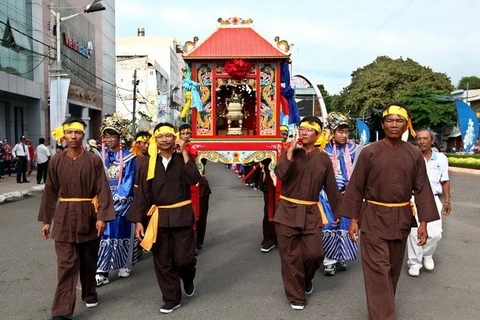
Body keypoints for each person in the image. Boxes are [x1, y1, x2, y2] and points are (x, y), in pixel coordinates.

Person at [338, 103, 439, 320]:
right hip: (373, 216)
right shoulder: (369, 152)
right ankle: (384, 316)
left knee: (392, 269)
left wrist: (423, 223)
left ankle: (380, 310)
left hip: (401, 218)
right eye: (390, 120)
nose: (394, 124)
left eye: (399, 120)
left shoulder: (414, 154)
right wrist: (353, 219)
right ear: (383, 124)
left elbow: (422, 189)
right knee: (377, 270)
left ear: (407, 125)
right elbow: (356, 186)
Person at [38, 117, 115, 320]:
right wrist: (47, 220)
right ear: (64, 135)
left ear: (83, 135)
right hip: (63, 218)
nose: (73, 136)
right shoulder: (56, 160)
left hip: (88, 215)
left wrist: (102, 217)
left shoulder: (93, 160)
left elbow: (103, 189)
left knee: (89, 261)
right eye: (70, 132)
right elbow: (50, 191)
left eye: (78, 132)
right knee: (66, 264)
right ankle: (62, 311)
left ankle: (89, 292)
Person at [127, 122, 201, 314]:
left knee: (184, 259)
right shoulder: (147, 163)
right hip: (159, 218)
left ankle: (188, 277)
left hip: (182, 215)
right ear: (155, 140)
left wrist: (184, 151)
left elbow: (194, 179)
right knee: (163, 260)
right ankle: (171, 298)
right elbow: (142, 194)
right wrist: (138, 222)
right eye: (160, 136)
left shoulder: (184, 158)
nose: (164, 140)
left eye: (168, 135)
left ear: (174, 137)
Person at [274, 116, 341, 310]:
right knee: (289, 256)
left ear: (318, 134)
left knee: (315, 254)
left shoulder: (323, 159)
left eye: (309, 130)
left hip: (311, 211)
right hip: (287, 210)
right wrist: (289, 153)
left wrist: (338, 213)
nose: (303, 133)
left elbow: (331, 188)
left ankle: (306, 278)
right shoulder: (289, 152)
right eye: (302, 129)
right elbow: (281, 175)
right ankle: (297, 296)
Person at [96, 113, 137, 286]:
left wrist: (115, 199)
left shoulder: (129, 157)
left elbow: (128, 181)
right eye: (106, 135)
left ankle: (124, 263)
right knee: (102, 234)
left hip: (121, 201)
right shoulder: (98, 157)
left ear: (120, 137)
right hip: (102, 200)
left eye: (112, 135)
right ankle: (101, 269)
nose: (109, 139)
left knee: (120, 231)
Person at [407, 128, 452, 277]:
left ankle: (427, 254)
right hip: (413, 198)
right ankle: (414, 263)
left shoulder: (441, 159)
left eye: (425, 138)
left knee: (435, 233)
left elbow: (445, 180)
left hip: (432, 198)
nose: (422, 141)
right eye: (419, 138)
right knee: (414, 232)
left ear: (432, 141)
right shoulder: (411, 157)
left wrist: (447, 200)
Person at [319, 112, 359, 276]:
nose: (344, 135)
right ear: (332, 132)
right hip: (328, 195)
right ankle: (329, 259)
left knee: (346, 225)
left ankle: (341, 256)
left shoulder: (354, 149)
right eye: (340, 132)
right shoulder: (323, 150)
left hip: (348, 194)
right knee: (330, 225)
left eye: (346, 132)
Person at [178, 124, 212, 251]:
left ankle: (198, 241)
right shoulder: (175, 148)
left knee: (201, 216)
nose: (186, 136)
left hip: (200, 185)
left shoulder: (199, 146)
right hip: (184, 186)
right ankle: (188, 242)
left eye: (188, 133)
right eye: (183, 134)